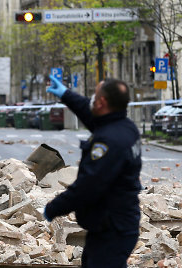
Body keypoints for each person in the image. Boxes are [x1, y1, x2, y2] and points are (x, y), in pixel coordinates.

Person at [44, 76, 142, 268]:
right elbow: (90, 114)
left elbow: (87, 187)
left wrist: (52, 208)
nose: (91, 100)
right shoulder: (125, 127)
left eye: (94, 96)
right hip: (113, 225)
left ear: (102, 102)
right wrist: (66, 94)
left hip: (113, 229)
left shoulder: (108, 142)